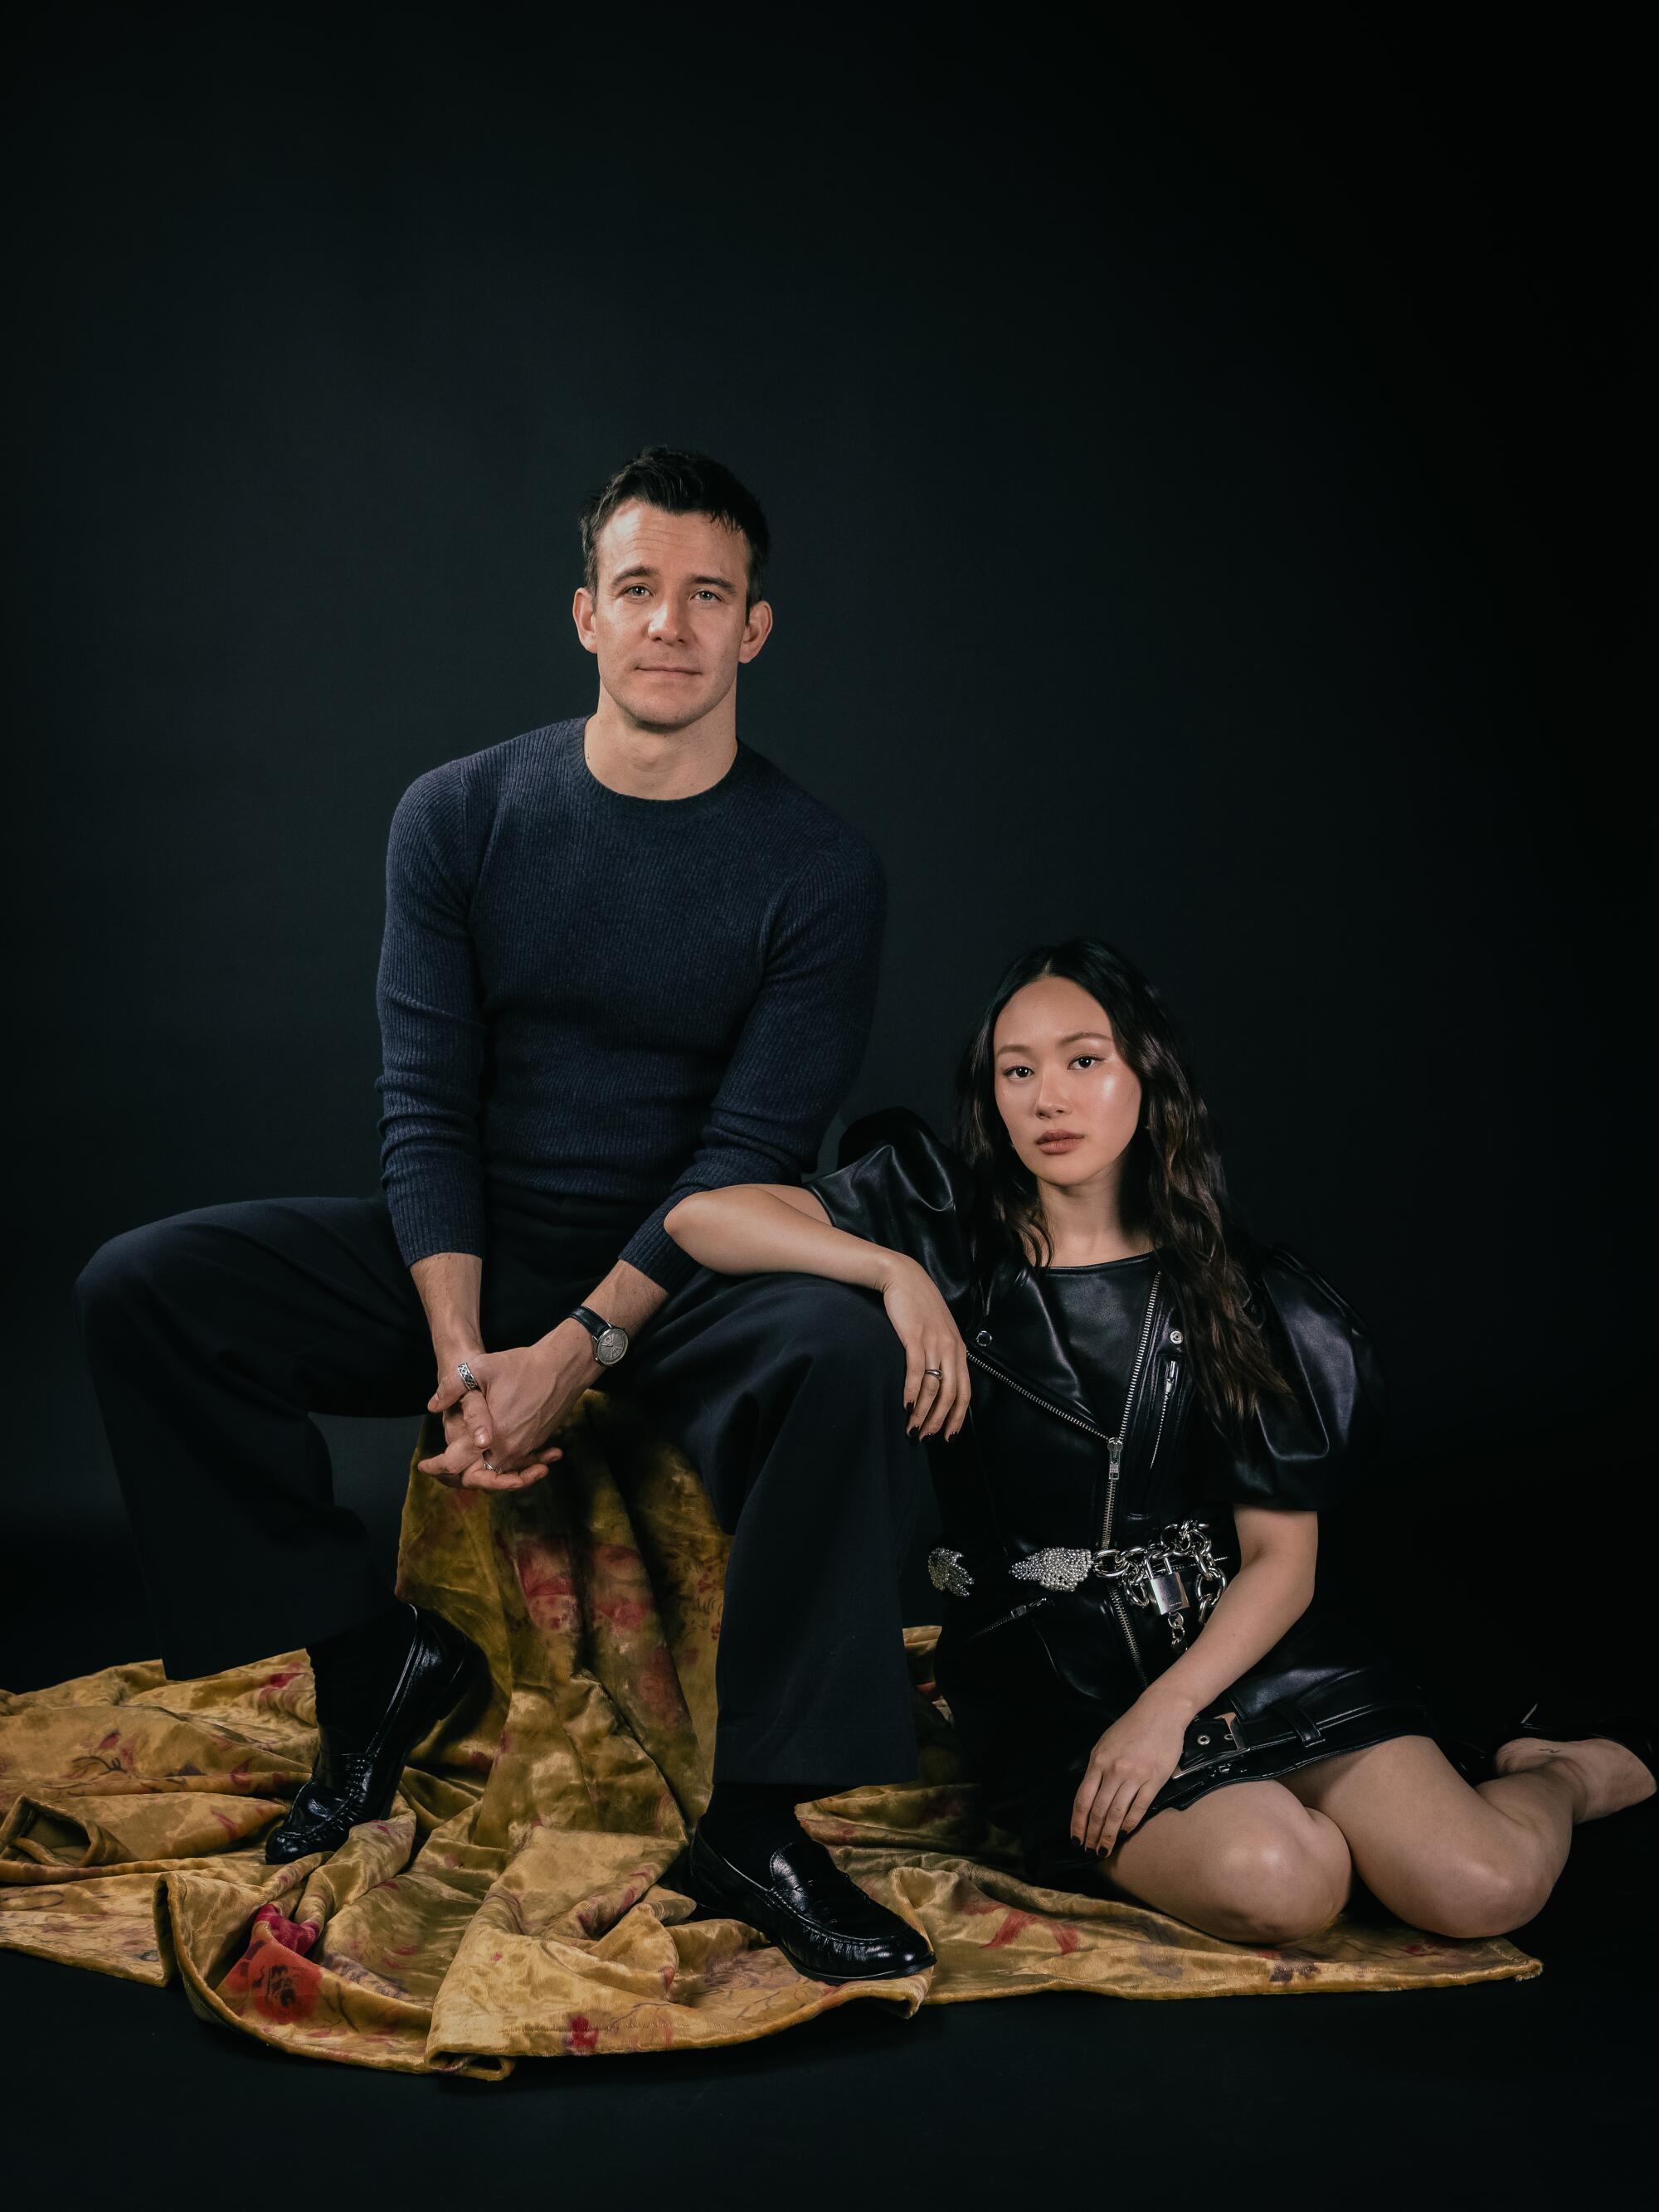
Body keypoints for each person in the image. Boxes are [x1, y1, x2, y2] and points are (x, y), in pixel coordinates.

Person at [73, 445, 933, 1985]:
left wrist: (580, 1347)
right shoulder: (458, 815)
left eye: (707, 596)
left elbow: (745, 1155)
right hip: (482, 1243)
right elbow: (427, 1100)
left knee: (842, 1352)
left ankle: (758, 1818)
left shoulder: (819, 869)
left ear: (756, 630)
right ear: (587, 617)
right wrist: (469, 1352)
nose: (670, 623)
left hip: (694, 1274)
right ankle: (371, 1658)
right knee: (147, 1286)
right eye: (638, 590)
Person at [664, 937, 1655, 1944]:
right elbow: (704, 1217)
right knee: (1283, 1882)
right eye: (1018, 1070)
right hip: (1059, 1692)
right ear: (992, 1095)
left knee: (1482, 1889)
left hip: (1256, 1662)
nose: (1048, 1097)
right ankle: (1295, 1824)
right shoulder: (941, 1229)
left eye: (1083, 1060)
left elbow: (1281, 1562)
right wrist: (890, 1275)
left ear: (1147, 1078)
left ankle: (1557, 1774)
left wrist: (1167, 1713)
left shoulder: (1243, 1293)